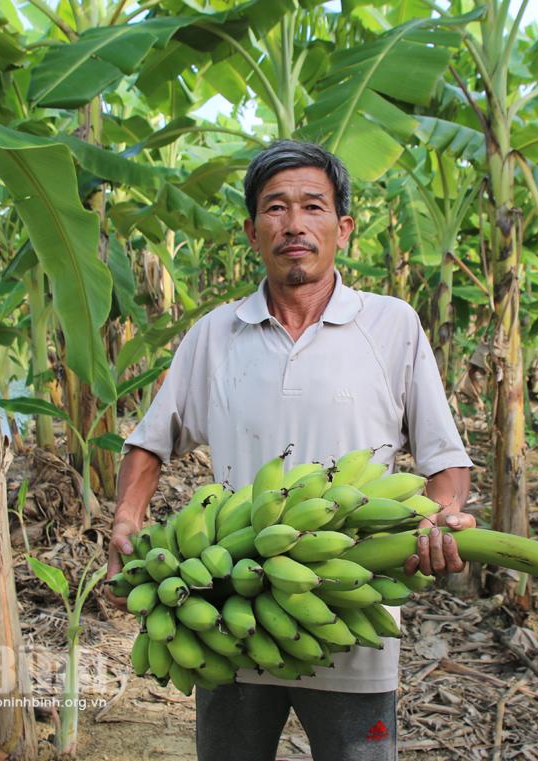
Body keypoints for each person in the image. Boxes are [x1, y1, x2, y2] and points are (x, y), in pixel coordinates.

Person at [105, 140, 475, 761]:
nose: (294, 224)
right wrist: (126, 518)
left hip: (349, 613)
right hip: (228, 613)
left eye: (313, 206)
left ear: (344, 228)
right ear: (252, 231)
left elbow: (446, 460)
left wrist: (441, 518)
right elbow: (149, 441)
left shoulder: (391, 326)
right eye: (275, 209)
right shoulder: (215, 335)